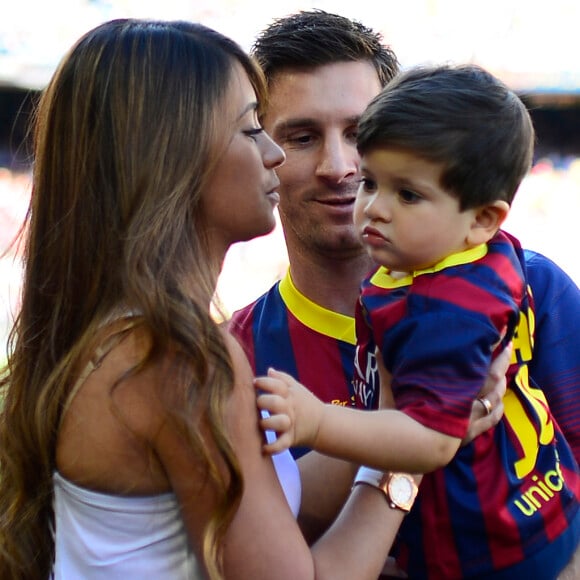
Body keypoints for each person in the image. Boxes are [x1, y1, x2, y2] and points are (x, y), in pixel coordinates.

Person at [0, 18, 444, 580]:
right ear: (172, 157)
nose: (274, 155)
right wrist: (408, 463)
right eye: (251, 128)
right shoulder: (180, 358)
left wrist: (395, 420)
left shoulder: (131, 336)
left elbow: (261, 504)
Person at [256, 63, 580, 579]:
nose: (371, 205)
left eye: (407, 194)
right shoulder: (241, 345)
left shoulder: (468, 304)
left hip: (501, 553)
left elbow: (431, 439)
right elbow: (259, 537)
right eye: (372, 182)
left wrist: (316, 420)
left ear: (481, 220)